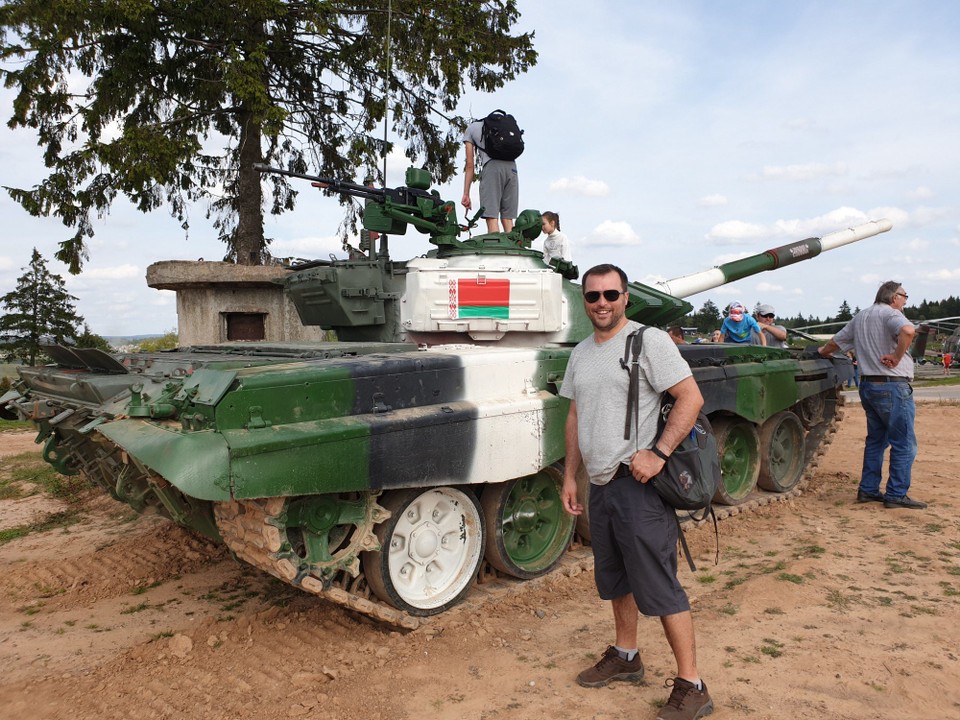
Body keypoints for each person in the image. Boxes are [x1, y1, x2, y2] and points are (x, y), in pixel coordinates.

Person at [560, 264, 714, 720]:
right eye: (593, 296)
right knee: (616, 579)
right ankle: (626, 656)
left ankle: (693, 684)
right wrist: (571, 474)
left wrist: (660, 452)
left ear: (626, 297)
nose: (601, 303)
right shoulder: (582, 352)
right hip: (602, 486)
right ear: (584, 301)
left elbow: (691, 397)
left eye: (610, 294)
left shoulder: (649, 341)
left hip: (639, 485)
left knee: (658, 584)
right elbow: (575, 417)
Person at [818, 281, 923, 509]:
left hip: (868, 386)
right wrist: (896, 356)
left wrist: (821, 353)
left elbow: (835, 342)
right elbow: (908, 330)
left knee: (876, 441)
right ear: (894, 297)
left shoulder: (861, 316)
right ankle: (895, 494)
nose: (905, 301)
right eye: (905, 296)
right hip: (893, 386)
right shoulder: (891, 315)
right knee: (904, 443)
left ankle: (868, 489)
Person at [461, 116, 519, 233]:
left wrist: (466, 193)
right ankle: (513, 250)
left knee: (492, 217)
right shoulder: (502, 126)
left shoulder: (471, 129)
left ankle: (495, 251)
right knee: (508, 219)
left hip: (492, 168)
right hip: (512, 168)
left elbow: (470, 165)